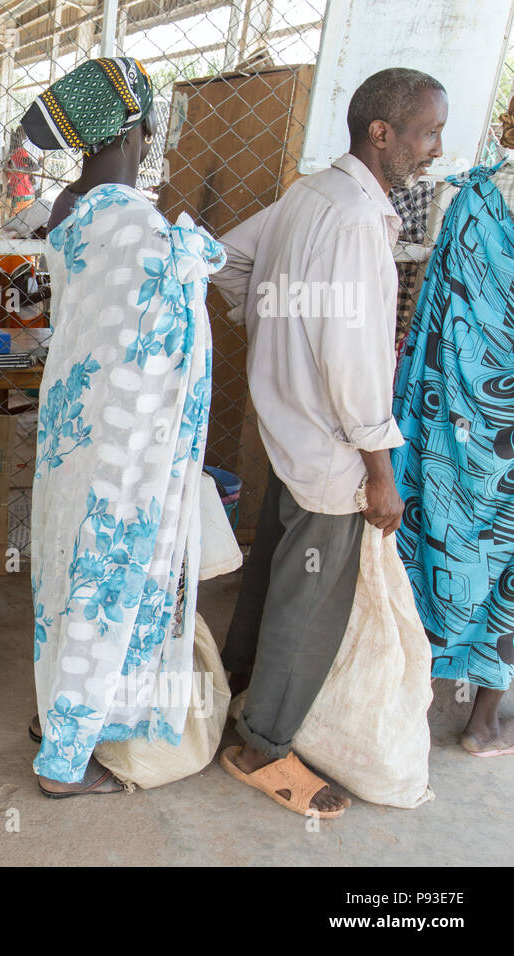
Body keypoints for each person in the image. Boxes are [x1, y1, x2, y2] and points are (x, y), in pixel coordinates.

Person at [212, 68, 448, 817]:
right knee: (308, 605)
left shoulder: (314, 193)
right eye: (428, 131)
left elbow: (228, 256)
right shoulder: (350, 218)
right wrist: (380, 470)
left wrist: (270, 329)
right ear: (381, 132)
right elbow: (355, 364)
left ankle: (235, 703)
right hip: (334, 449)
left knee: (271, 583)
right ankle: (263, 749)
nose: (435, 149)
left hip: (291, 431)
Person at [23, 57, 224, 797]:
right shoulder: (148, 234)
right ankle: (64, 765)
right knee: (106, 583)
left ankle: (57, 717)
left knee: (62, 577)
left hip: (73, 433)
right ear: (144, 127)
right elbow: (168, 363)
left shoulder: (73, 216)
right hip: (125, 457)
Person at [392, 102, 512, 758]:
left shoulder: (475, 197)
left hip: (449, 416)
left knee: (433, 533)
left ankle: (405, 691)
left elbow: (439, 323)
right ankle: (484, 723)